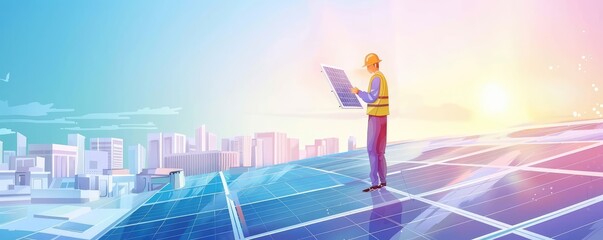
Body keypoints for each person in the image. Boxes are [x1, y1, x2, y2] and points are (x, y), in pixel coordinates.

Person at [351, 53, 389, 192]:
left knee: (372, 150)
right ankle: (383, 181)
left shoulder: (375, 78)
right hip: (383, 117)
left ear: (374, 65)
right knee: (380, 152)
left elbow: (371, 97)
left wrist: (358, 92)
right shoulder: (382, 77)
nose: (367, 68)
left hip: (375, 118)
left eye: (368, 66)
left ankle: (374, 183)